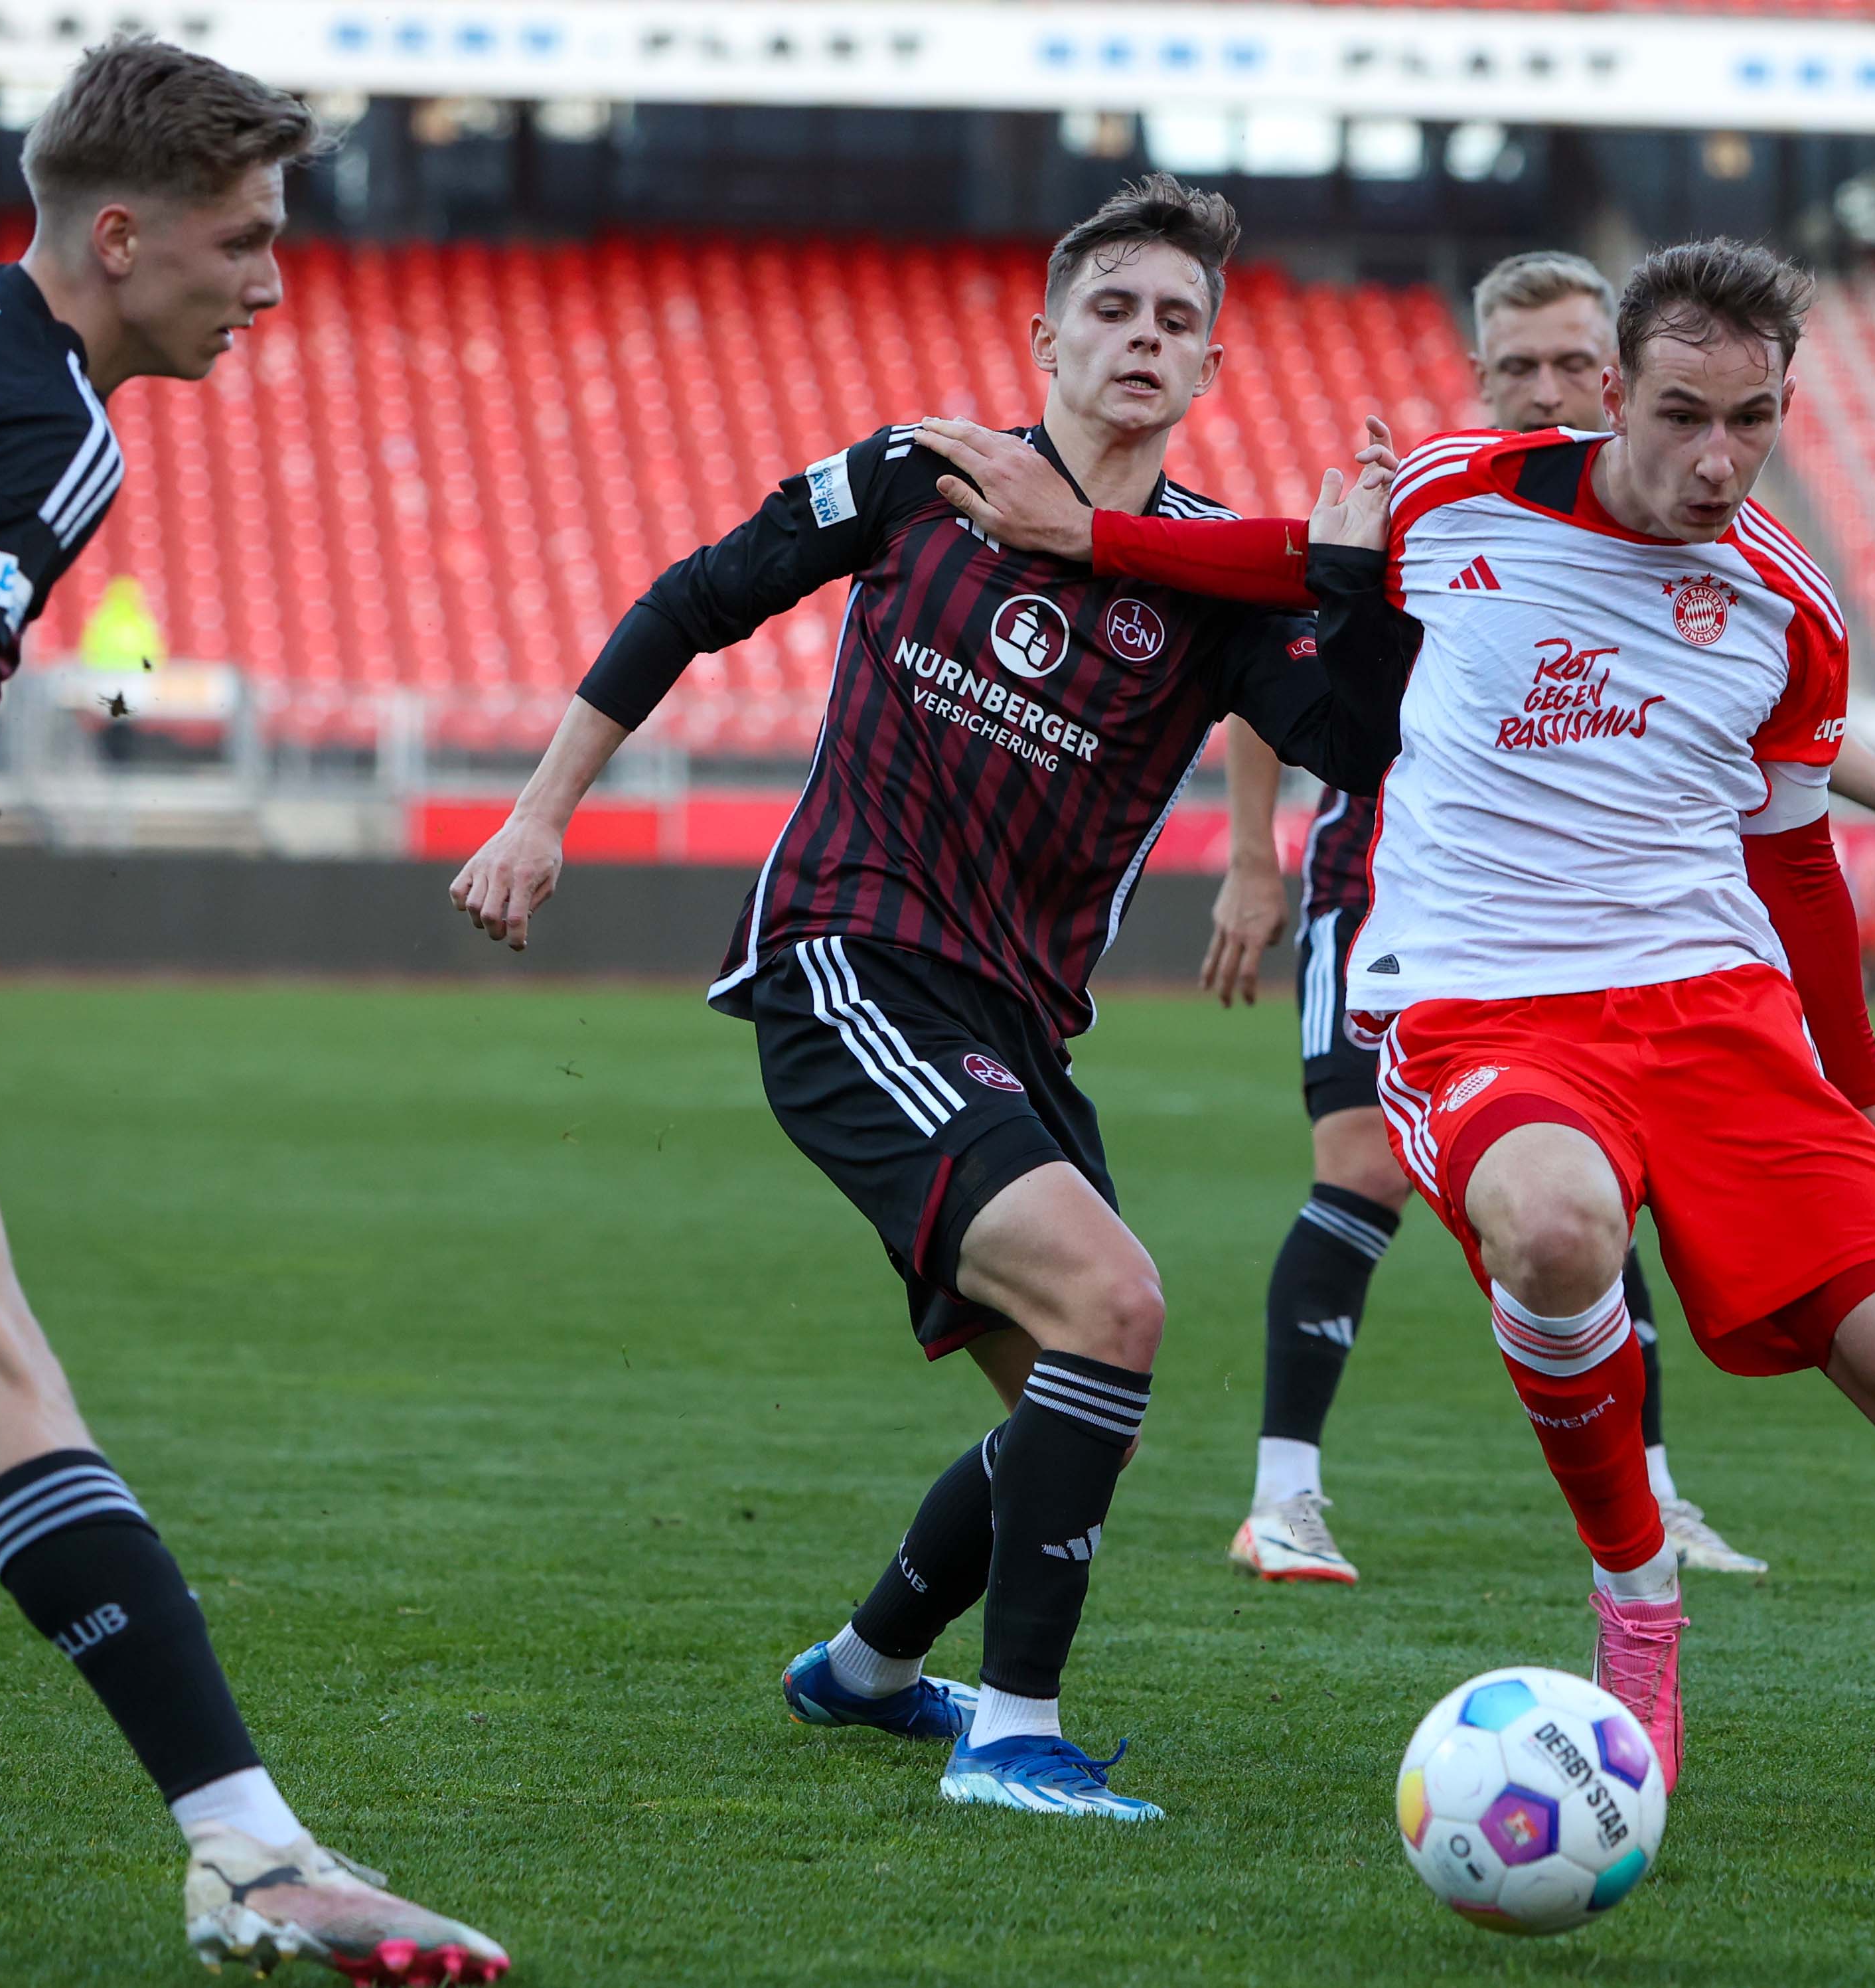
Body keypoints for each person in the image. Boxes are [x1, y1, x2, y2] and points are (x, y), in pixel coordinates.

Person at [975, 238, 1875, 1853]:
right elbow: (1268, 560)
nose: (1717, 457)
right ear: (1612, 389)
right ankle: (1635, 1590)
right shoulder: (1462, 494)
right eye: (1681, 412)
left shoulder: (1788, 599)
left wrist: (1869, 1104)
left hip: (1717, 1016)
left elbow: (1797, 858)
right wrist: (1086, 532)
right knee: (1550, 1225)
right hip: (1486, 1007)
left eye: (1753, 418)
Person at [447, 175, 1396, 1823]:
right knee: (1116, 1304)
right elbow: (699, 593)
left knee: (1066, 1401)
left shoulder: (1217, 586)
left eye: (1178, 321)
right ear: (1044, 334)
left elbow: (1363, 750)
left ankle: (874, 1663)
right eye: (1113, 307)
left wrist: (1356, 585)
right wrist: (539, 811)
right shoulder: (919, 473)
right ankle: (1014, 1737)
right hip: (846, 955)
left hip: (1014, 1022)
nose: (1142, 338)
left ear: (1210, 373)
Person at [0, 38, 508, 1983]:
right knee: (4, 1393)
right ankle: (247, 1849)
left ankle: (249, 1845)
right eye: (241, 244)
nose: (268, 283)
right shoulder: (48, 417)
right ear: (125, 233)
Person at [929, 250, 1875, 1590]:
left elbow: (1745, 734)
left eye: (1570, 368)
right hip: (1381, 890)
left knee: (1591, 1204)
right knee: (1367, 1172)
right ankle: (1287, 1492)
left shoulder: (1722, 569)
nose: (1550, 392)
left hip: (1599, 959)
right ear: (1493, 373)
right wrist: (1254, 852)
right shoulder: (1442, 498)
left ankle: (1650, 1502)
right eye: (1526, 371)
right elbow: (1274, 618)